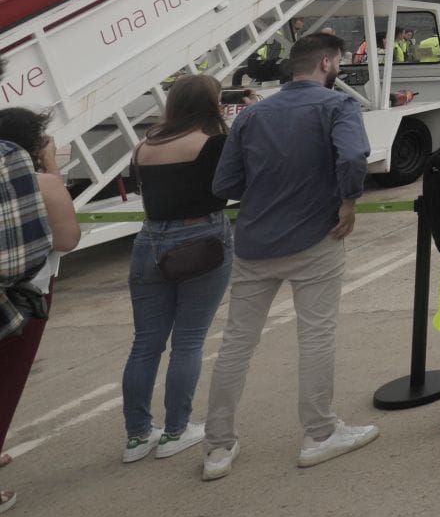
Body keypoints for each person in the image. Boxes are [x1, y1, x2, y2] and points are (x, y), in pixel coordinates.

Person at [201, 32, 377, 480]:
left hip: (255, 243)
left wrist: (265, 193)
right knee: (316, 336)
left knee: (237, 343)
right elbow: (354, 155)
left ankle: (218, 447)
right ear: (326, 63)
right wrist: (348, 200)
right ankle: (318, 433)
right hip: (316, 240)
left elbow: (224, 185)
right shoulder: (337, 106)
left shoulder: (253, 114)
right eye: (337, 61)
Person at [122, 74, 233, 463]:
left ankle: (137, 436)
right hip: (202, 238)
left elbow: (142, 190)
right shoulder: (213, 143)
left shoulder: (144, 146)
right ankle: (176, 430)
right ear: (209, 103)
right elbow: (233, 186)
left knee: (145, 343)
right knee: (188, 341)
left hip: (148, 241)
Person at [0, 102, 80, 512]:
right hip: (22, 298)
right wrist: (50, 165)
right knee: (6, 382)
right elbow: (67, 239)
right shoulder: (36, 181)